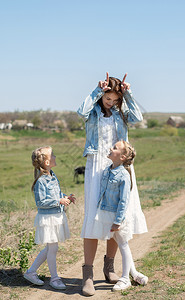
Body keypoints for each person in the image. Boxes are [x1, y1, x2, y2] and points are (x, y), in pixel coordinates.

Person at [77, 73, 148, 296]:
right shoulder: (93, 112)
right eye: (109, 98)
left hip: (121, 167)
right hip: (98, 165)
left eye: (116, 100)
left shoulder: (122, 112)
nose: (112, 103)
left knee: (118, 215)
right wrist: (97, 91)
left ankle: (109, 267)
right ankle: (87, 275)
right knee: (94, 217)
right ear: (103, 95)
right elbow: (81, 110)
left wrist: (128, 94)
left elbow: (138, 117)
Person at [91, 140, 148, 291]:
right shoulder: (107, 170)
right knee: (121, 243)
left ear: (122, 157)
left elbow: (124, 201)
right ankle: (134, 273)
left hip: (118, 216)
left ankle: (125, 279)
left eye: (115, 148)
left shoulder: (123, 175)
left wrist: (117, 221)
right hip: (107, 213)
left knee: (123, 245)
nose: (111, 148)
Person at [23, 146, 76, 290]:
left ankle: (31, 272)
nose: (55, 157)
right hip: (48, 219)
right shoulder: (41, 181)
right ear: (46, 162)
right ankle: (54, 279)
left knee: (51, 248)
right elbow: (41, 202)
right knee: (52, 248)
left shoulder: (52, 175)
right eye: (52, 155)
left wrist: (65, 197)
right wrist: (58, 201)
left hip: (56, 216)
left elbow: (55, 194)